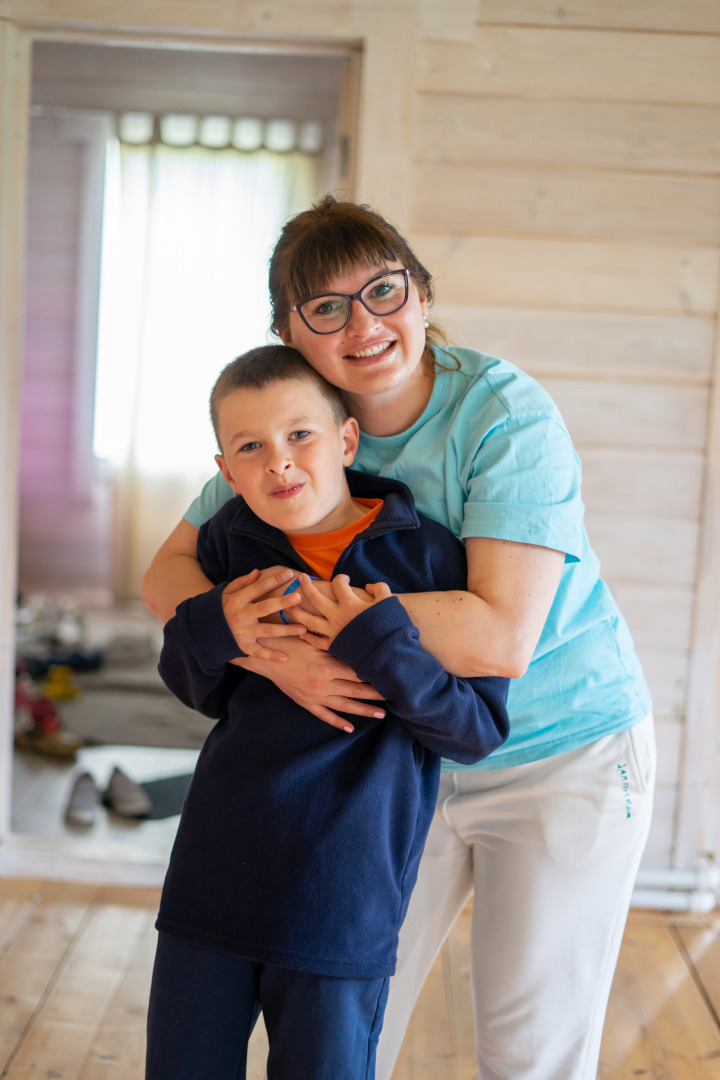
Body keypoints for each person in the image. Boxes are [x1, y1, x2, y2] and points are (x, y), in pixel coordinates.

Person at [142, 196, 656, 1080]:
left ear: (421, 294)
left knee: (528, 1052)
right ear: (289, 329)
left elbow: (499, 640)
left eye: (385, 291)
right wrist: (271, 650)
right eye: (328, 307)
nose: (365, 323)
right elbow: (169, 572)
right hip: (392, 771)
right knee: (351, 1037)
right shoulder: (292, 425)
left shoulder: (500, 412)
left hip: (559, 752)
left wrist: (305, 622)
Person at [145, 344, 510, 1080]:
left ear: (346, 438)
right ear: (227, 473)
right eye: (251, 448)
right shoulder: (228, 544)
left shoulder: (430, 559)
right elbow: (193, 684)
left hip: (341, 897)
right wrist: (217, 626)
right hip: (212, 875)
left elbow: (473, 734)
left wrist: (380, 642)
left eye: (299, 435)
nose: (279, 463)